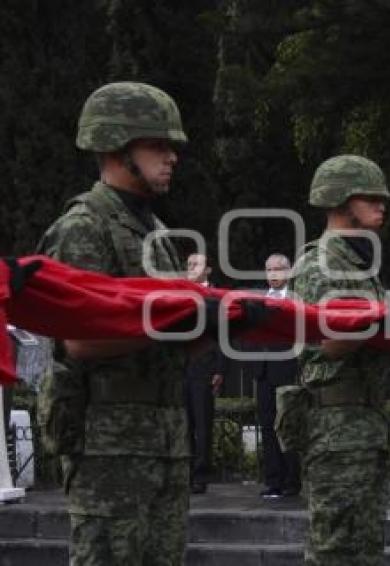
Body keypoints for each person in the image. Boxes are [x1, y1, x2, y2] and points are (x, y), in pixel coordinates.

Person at [36, 82, 190, 565]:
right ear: (120, 149)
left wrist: (215, 325)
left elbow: (171, 343)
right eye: (158, 145)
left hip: (163, 439)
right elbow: (79, 338)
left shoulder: (159, 234)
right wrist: (178, 318)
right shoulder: (85, 226)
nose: (172, 157)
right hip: (109, 447)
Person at [289, 154, 390, 564]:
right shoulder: (318, 263)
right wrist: (383, 321)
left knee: (366, 547)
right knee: (334, 546)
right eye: (370, 197)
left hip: (365, 424)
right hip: (335, 428)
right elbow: (327, 341)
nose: (381, 204)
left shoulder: (361, 266)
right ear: (341, 200)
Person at [249, 253, 301, 500]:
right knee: (268, 427)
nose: (273, 274)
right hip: (263, 371)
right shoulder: (258, 300)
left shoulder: (297, 299)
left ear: (289, 271)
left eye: (278, 269)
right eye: (269, 269)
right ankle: (273, 481)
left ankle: (293, 481)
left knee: (289, 426)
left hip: (288, 369)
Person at [184, 253, 227, 495]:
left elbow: (223, 334)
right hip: (184, 367)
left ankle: (200, 475)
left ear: (208, 270)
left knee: (203, 424)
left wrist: (219, 369)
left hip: (205, 366)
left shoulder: (216, 297)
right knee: (185, 424)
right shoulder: (180, 294)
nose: (190, 267)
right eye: (188, 264)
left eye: (196, 264)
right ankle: (186, 473)